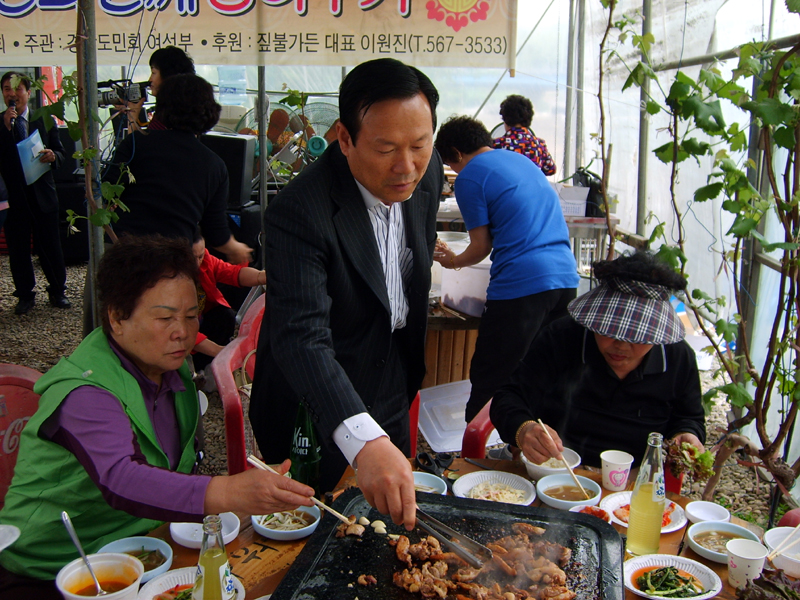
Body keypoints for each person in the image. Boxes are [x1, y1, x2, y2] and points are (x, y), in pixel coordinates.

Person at [0, 235, 313, 599]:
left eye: (191, 316)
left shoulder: (171, 368)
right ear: (117, 317)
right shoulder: (84, 390)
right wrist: (231, 490)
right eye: (164, 317)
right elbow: (121, 477)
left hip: (146, 549)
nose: (183, 332)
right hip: (57, 571)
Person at [248, 58, 443, 530]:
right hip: (312, 407)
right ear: (344, 136)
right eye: (386, 148)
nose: (406, 166)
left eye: (420, 144)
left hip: (391, 379)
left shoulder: (427, 171)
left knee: (391, 533)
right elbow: (301, 338)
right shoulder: (300, 211)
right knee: (315, 538)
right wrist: (362, 440)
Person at [490, 251, 706, 469]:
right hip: (558, 468)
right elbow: (508, 397)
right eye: (609, 330)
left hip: (638, 479)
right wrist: (523, 429)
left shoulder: (678, 358)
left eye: (637, 337)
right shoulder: (562, 337)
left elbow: (689, 417)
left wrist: (687, 434)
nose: (621, 345)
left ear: (657, 334)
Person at [433, 115, 578, 424]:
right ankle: (539, 452)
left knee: (491, 374)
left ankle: (476, 457)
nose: (455, 171)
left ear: (456, 154)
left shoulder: (471, 176)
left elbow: (481, 247)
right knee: (545, 369)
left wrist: (452, 261)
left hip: (523, 284)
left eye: (451, 164)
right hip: (565, 278)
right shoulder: (522, 161)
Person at [104, 73, 251, 265]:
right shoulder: (214, 165)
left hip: (124, 254)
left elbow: (104, 191)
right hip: (173, 262)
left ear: (162, 108)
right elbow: (215, 231)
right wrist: (236, 248)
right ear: (209, 111)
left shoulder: (134, 143)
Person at [0, 71, 70, 315]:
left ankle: (57, 291)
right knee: (18, 248)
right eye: (7, 89)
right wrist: (4, 129)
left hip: (43, 193)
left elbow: (62, 154)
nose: (12, 93)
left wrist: (53, 156)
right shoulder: (0, 123)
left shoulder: (45, 120)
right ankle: (25, 295)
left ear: (28, 93)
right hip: (14, 196)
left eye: (17, 88)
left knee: (50, 244)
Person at [191, 229, 266, 370]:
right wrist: (220, 351)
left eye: (200, 257)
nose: (196, 263)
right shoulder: (168, 281)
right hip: (183, 333)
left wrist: (262, 277)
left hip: (201, 320)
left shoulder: (206, 261)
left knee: (226, 317)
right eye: (191, 257)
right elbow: (182, 328)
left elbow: (233, 273)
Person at [125, 45, 195, 132]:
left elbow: (143, 145)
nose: (150, 80)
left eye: (153, 72)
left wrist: (133, 118)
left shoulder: (167, 115)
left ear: (168, 76)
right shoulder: (187, 109)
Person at [493, 94, 556, 176]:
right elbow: (551, 169)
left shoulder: (497, 145)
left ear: (505, 119)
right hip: (532, 188)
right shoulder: (539, 144)